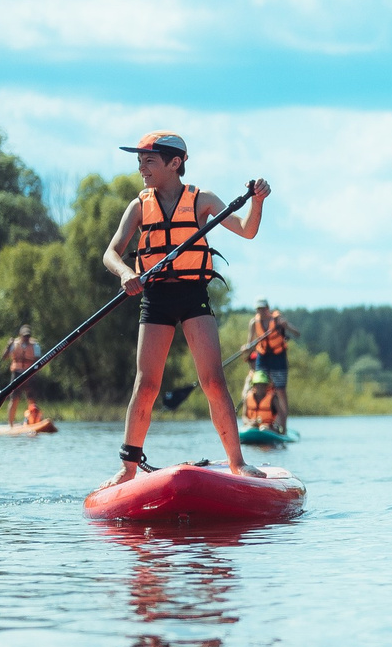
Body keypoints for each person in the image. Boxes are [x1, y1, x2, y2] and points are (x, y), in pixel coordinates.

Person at [99, 131, 271, 487]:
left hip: (193, 295)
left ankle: (237, 463)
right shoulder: (138, 205)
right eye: (139, 161)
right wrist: (126, 273)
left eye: (149, 160)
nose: (142, 167)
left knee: (213, 381)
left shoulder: (202, 199)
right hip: (156, 297)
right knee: (146, 385)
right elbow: (111, 253)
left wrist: (257, 202)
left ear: (174, 163)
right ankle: (128, 468)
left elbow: (247, 230)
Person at [247, 300, 297, 434]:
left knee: (280, 391)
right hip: (262, 357)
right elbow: (250, 343)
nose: (261, 312)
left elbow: (297, 333)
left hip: (278, 357)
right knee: (259, 385)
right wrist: (246, 349)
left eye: (263, 309)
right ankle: (256, 421)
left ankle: (283, 426)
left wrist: (287, 326)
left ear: (268, 308)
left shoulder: (277, 320)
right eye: (258, 309)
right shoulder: (254, 323)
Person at [2, 323, 39, 426]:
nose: (26, 338)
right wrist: (8, 346)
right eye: (24, 335)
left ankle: (33, 422)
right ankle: (11, 424)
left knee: (32, 401)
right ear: (20, 335)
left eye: (28, 335)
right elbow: (4, 357)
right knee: (14, 399)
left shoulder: (35, 345)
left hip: (30, 374)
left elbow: (38, 360)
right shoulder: (14, 344)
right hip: (17, 374)